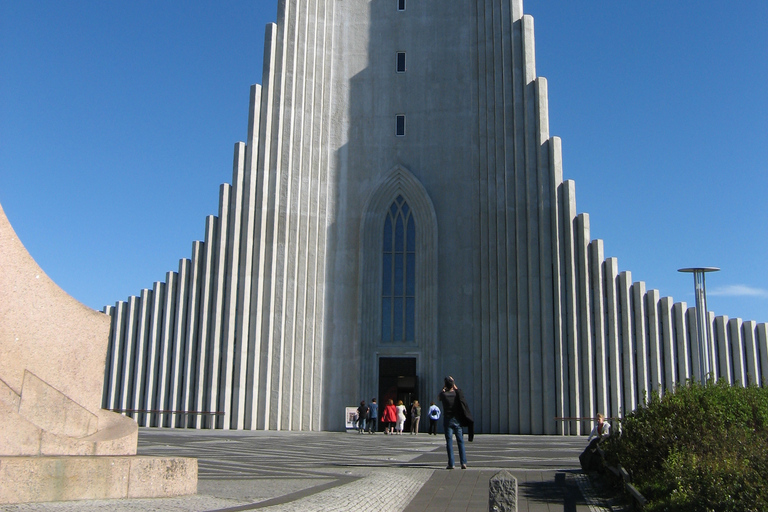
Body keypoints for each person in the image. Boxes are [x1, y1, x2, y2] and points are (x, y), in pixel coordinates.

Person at [438, 376, 474, 469]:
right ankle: (463, 462)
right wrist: (453, 383)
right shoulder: (457, 394)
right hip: (457, 420)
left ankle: (451, 463)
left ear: (446, 385)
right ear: (453, 385)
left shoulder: (444, 395)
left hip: (448, 419)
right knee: (460, 441)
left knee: (449, 442)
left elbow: (439, 397)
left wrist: (444, 387)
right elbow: (460, 392)